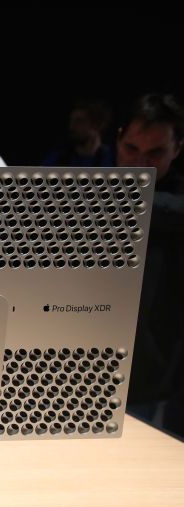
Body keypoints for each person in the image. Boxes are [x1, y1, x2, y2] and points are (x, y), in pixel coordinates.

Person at [118, 94, 184, 435]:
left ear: (177, 148)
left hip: (156, 379)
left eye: (155, 153)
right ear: (118, 140)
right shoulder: (95, 197)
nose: (141, 164)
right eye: (132, 149)